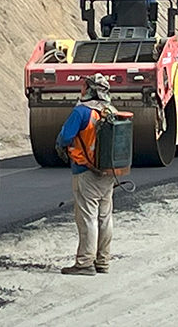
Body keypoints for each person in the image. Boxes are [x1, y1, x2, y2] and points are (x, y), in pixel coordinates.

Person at [55, 73, 118, 276]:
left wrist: (62, 148)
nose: (81, 89)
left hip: (85, 171)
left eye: (83, 86)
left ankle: (84, 263)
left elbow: (65, 136)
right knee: (104, 217)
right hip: (108, 172)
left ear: (90, 90)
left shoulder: (82, 112)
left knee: (87, 217)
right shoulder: (111, 111)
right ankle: (103, 261)